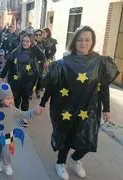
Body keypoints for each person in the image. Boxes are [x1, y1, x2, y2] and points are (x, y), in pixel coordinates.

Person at [38, 26, 119, 180]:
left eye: (87, 39)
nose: (83, 43)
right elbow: (52, 85)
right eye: (80, 40)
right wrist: (42, 103)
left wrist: (106, 109)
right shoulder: (63, 63)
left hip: (90, 109)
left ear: (92, 41)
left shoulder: (100, 62)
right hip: (66, 108)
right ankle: (60, 163)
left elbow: (104, 88)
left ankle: (75, 159)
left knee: (88, 138)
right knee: (67, 137)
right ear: (74, 42)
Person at [0, 33, 45, 127]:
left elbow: (42, 57)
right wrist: (1, 76)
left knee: (25, 99)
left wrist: (35, 46)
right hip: (15, 80)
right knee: (15, 98)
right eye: (23, 41)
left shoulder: (34, 51)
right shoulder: (15, 51)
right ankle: (15, 115)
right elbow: (8, 65)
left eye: (27, 41)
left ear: (31, 42)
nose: (25, 43)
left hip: (28, 81)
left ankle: (24, 117)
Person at [33, 29, 47, 98]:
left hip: (41, 63)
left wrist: (46, 61)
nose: (38, 36)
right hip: (32, 63)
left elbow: (46, 53)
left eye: (39, 35)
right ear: (34, 35)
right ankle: (30, 91)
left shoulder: (44, 43)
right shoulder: (31, 42)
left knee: (40, 78)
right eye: (36, 34)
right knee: (32, 77)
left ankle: (37, 90)